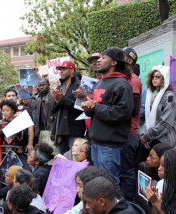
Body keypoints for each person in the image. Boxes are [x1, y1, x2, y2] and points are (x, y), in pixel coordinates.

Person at [81, 47, 134, 185]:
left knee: (109, 185)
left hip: (110, 145)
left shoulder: (122, 84)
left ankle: (113, 208)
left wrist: (96, 107)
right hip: (96, 142)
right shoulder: (99, 82)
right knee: (98, 183)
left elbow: (121, 113)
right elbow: (95, 110)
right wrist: (88, 108)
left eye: (103, 57)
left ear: (113, 63)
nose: (98, 60)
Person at [139, 65, 176, 162]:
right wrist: (143, 134)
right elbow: (147, 120)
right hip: (151, 139)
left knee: (158, 171)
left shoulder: (169, 97)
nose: (154, 79)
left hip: (163, 140)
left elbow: (166, 123)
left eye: (158, 76)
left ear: (165, 78)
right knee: (141, 165)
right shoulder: (154, 98)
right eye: (153, 77)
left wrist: (147, 136)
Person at [120, 47, 142, 201]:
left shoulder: (133, 80)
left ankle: (128, 203)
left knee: (127, 171)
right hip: (121, 133)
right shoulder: (123, 78)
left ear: (128, 61)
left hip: (128, 134)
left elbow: (133, 110)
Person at [51, 61, 86, 154]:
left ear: (71, 71)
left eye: (63, 69)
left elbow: (80, 107)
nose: (61, 71)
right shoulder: (59, 86)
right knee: (62, 159)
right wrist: (56, 100)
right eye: (60, 69)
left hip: (74, 129)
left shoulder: (80, 85)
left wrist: (61, 99)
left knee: (74, 158)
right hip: (60, 129)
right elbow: (52, 109)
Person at [0, 100, 31, 169]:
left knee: (26, 171)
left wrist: (18, 131)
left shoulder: (20, 122)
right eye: (3, 111)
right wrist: (3, 133)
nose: (5, 112)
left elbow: (24, 138)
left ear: (13, 110)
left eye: (7, 110)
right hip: (3, 154)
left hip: (18, 153)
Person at [146, 149, 176, 214]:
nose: (159, 168)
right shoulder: (161, 183)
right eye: (159, 165)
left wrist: (157, 202)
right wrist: (154, 201)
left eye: (164, 166)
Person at [34, 78, 54, 150]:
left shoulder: (52, 96)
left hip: (51, 130)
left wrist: (54, 131)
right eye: (39, 85)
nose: (41, 87)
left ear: (48, 85)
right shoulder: (38, 98)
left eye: (43, 85)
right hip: (42, 131)